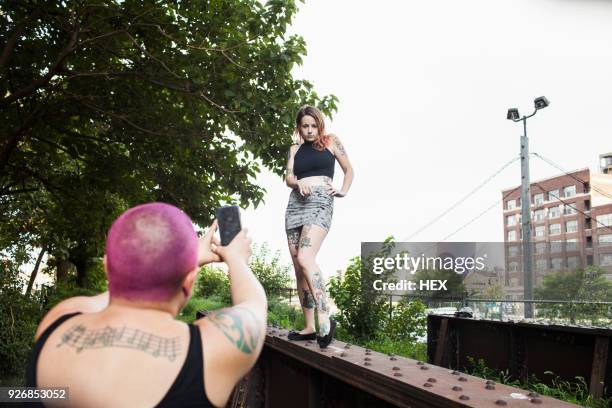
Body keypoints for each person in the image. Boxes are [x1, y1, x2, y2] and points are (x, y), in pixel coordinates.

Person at [25, 202, 267, 407]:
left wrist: (186, 261)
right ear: (189, 282)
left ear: (107, 267)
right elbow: (253, 304)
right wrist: (236, 260)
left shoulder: (59, 320)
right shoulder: (214, 349)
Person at [284, 105, 354, 348]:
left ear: (320, 125)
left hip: (320, 202)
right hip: (296, 205)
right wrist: (297, 182)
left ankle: (324, 315)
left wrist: (342, 191)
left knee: (306, 257)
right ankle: (309, 327)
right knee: (298, 267)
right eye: (305, 126)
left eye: (314, 125)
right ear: (299, 127)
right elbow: (289, 177)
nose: (310, 130)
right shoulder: (295, 148)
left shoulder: (331, 141)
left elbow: (349, 170)